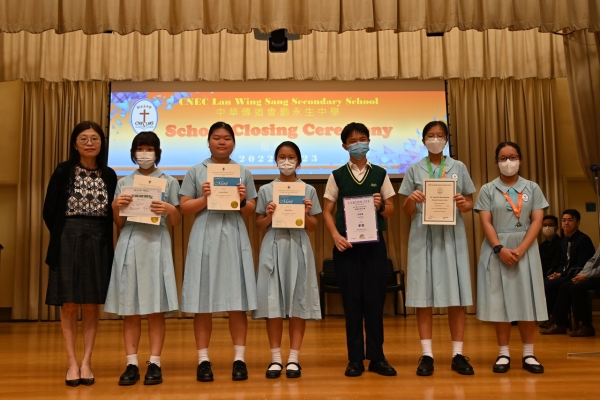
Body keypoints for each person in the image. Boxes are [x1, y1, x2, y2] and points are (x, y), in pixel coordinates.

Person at [179, 121, 258, 382]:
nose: (221, 142)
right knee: (203, 301)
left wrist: (243, 200)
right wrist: (204, 198)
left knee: (237, 300)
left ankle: (239, 359)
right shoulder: (195, 171)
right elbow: (184, 208)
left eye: (226, 138)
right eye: (216, 137)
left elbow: (250, 210)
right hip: (205, 235)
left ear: (233, 142)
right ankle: (203, 361)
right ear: (209, 141)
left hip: (234, 234)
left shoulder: (243, 171)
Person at [399, 121, 476, 377]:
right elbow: (406, 210)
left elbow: (469, 202)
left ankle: (457, 354)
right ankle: (427, 354)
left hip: (451, 234)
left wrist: (463, 203)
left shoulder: (458, 167)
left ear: (446, 139)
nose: (435, 139)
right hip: (423, 234)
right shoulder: (414, 169)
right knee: (423, 294)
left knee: (456, 294)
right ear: (423, 141)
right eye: (430, 135)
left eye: (440, 135)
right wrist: (412, 200)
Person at [43, 121, 117, 387]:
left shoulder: (109, 174)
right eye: (84, 138)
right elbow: (49, 211)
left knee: (91, 303)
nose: (89, 143)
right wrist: (66, 234)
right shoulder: (64, 170)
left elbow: (113, 212)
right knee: (70, 303)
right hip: (68, 238)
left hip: (99, 240)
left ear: (101, 144)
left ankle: (87, 362)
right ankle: (72, 362)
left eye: (95, 138)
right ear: (75, 143)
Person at [105, 131, 181, 385]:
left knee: (155, 309)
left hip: (157, 243)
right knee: (131, 310)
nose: (145, 154)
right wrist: (116, 207)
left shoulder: (169, 181)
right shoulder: (124, 182)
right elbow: (119, 224)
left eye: (149, 149)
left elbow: (177, 221)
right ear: (133, 153)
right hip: (131, 242)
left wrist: (169, 209)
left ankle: (154, 363)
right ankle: (131, 364)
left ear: (158, 152)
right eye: (140, 149)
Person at [322, 122, 397, 378]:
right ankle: (355, 359)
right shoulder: (337, 175)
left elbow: (391, 209)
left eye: (362, 139)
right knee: (352, 303)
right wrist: (335, 236)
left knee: (375, 302)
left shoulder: (381, 173)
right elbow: (327, 211)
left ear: (369, 142)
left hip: (374, 246)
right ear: (345, 146)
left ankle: (377, 357)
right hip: (347, 247)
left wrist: (380, 206)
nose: (358, 144)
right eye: (353, 141)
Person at [474, 141, 547, 374]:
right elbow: (486, 222)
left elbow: (537, 220)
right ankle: (503, 353)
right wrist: (499, 248)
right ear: (497, 162)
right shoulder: (487, 189)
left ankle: (529, 353)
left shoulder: (532, 188)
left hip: (526, 248)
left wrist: (523, 248)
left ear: (520, 160)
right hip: (497, 249)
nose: (508, 162)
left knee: (527, 298)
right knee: (500, 300)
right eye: (503, 158)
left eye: (513, 157)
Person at [253, 141, 322, 379]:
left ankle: (293, 359)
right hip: (273, 245)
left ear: (298, 161)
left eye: (291, 157)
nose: (286, 161)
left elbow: (312, 226)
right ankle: (275, 359)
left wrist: (305, 213)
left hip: (298, 246)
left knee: (298, 301)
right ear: (276, 160)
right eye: (282, 157)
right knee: (273, 303)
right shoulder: (266, 190)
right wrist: (269, 215)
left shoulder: (308, 190)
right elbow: (259, 225)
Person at [543, 209, 595, 320]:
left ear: (578, 223)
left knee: (553, 285)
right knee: (545, 282)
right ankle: (555, 317)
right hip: (565, 274)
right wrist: (557, 273)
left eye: (570, 220)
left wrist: (561, 275)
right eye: (564, 220)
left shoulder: (583, 240)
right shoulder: (564, 241)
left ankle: (558, 319)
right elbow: (563, 263)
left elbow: (581, 264)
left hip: (576, 274)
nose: (566, 223)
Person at [541, 245, 600, 337]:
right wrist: (583, 273)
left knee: (576, 289)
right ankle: (560, 323)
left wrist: (586, 276)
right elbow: (592, 260)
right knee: (565, 286)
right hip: (593, 275)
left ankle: (586, 326)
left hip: (596, 276)